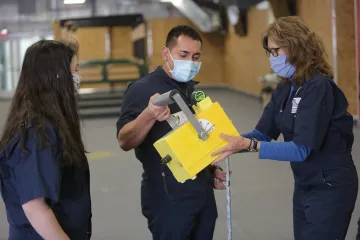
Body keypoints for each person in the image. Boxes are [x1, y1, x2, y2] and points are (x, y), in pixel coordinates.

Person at [211, 16, 359, 240]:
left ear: (296, 45)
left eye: (275, 50)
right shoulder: (285, 88)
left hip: (330, 186)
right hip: (304, 183)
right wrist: (227, 143)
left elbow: (301, 149)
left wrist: (250, 145)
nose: (272, 58)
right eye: (269, 52)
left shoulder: (319, 87)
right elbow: (262, 134)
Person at [116, 25, 227, 240]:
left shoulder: (190, 90)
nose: (190, 62)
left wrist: (210, 168)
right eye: (183, 55)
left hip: (201, 193)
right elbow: (124, 140)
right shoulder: (142, 89)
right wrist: (148, 114)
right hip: (167, 196)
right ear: (166, 53)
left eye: (196, 57)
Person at [0, 40, 92, 240]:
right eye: (75, 70)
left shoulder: (50, 124)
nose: (78, 77)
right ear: (58, 76)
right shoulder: (37, 132)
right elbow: (35, 207)